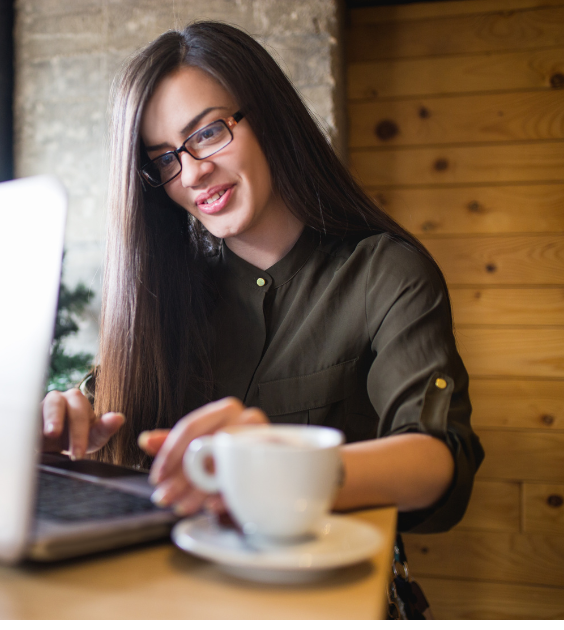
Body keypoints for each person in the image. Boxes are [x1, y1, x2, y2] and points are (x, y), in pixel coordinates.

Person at [41, 21, 483, 533]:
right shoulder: (163, 295)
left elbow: (441, 462)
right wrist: (63, 420)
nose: (190, 174)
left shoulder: (386, 274)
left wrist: (292, 468)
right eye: (163, 159)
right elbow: (93, 409)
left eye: (207, 132)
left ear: (270, 117)